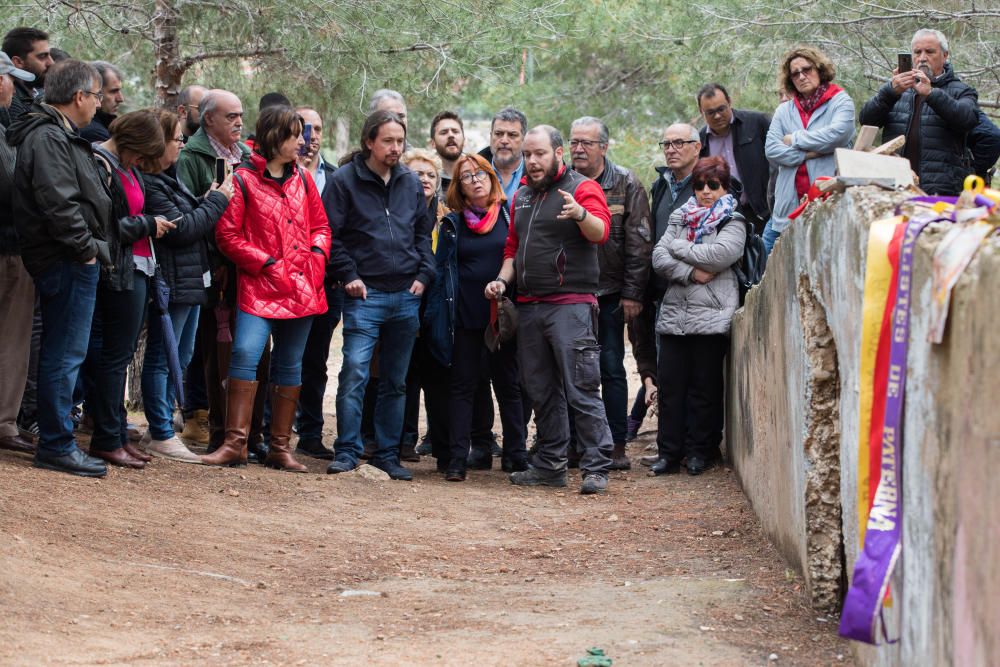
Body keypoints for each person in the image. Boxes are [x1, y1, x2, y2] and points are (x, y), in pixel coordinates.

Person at [484, 125, 613, 495]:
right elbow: (512, 248)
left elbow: (600, 232)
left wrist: (579, 215)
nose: (532, 161)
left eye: (539, 153)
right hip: (528, 307)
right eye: (527, 154)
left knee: (581, 388)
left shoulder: (582, 189)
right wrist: (501, 282)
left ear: (559, 153)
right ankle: (550, 465)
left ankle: (596, 467)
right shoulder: (521, 196)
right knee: (540, 389)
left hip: (571, 305)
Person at [204, 105, 331, 470]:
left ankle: (280, 448)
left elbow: (321, 227)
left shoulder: (304, 180)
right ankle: (235, 444)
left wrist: (317, 259)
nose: (302, 143)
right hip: (260, 284)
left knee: (290, 364)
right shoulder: (242, 179)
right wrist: (266, 263)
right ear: (276, 137)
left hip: (303, 285)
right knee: (245, 353)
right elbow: (227, 235)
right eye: (295, 135)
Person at [8, 60, 110, 476]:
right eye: (98, 96)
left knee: (64, 352)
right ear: (79, 96)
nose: (100, 104)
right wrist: (85, 249)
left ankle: (57, 440)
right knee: (64, 355)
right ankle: (56, 443)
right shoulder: (49, 137)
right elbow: (59, 202)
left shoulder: (57, 134)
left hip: (68, 257)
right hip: (66, 259)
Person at [326, 110, 435, 481]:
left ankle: (388, 454)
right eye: (388, 141)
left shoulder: (408, 181)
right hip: (364, 295)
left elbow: (423, 232)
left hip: (406, 293)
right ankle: (347, 451)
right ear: (369, 141)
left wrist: (424, 273)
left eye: (400, 141)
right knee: (355, 372)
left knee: (396, 379)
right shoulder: (343, 181)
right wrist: (349, 276)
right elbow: (332, 236)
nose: (395, 148)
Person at [139, 109, 233, 463]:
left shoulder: (169, 178)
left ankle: (157, 425)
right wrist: (217, 200)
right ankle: (161, 432)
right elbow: (185, 230)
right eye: (176, 139)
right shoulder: (150, 183)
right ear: (156, 143)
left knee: (183, 356)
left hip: (191, 280)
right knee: (164, 358)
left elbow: (189, 218)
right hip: (173, 281)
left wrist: (205, 200)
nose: (181, 145)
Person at [427, 153, 527, 481]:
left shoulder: (508, 217)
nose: (476, 180)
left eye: (481, 173)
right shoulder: (453, 224)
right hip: (465, 317)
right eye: (467, 176)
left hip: (502, 317)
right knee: (463, 387)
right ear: (460, 187)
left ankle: (515, 456)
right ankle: (457, 459)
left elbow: (520, 262)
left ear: (491, 178)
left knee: (509, 386)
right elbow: (441, 272)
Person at [85, 110, 172, 469]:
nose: (142, 162)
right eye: (141, 154)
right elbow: (106, 226)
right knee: (114, 358)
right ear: (131, 142)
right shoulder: (102, 162)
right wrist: (148, 224)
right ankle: (106, 437)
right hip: (119, 270)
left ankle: (117, 433)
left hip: (137, 268)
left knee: (118, 357)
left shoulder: (126, 166)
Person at [650, 156, 746, 476]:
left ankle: (700, 451)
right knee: (671, 387)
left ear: (724, 186)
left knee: (704, 388)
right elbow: (659, 257)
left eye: (713, 185)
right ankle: (669, 453)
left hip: (712, 314)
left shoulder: (733, 219)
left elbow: (720, 255)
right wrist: (692, 273)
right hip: (676, 312)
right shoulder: (681, 214)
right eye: (700, 185)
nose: (706, 191)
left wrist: (678, 247)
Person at [568, 116, 652, 471]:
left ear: (604, 146)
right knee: (571, 369)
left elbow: (640, 241)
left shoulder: (626, 182)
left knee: (611, 367)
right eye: (573, 142)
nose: (578, 149)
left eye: (586, 143)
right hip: (572, 291)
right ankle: (574, 442)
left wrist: (632, 293)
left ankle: (616, 444)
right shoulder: (565, 181)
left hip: (612, 291)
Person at [627, 123, 702, 446]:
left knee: (693, 373)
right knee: (660, 362)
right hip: (661, 290)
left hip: (698, 290)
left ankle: (688, 442)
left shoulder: (708, 183)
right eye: (666, 144)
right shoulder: (660, 185)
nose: (670, 149)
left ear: (697, 147)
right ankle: (666, 441)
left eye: (678, 143)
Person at [287, 105, 343, 460]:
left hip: (326, 282)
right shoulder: (279, 173)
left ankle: (310, 434)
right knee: (283, 358)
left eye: (318, 128)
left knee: (316, 360)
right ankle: (269, 430)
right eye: (305, 128)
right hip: (283, 280)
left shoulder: (337, 178)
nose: (312, 136)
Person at [859, 29, 979, 196]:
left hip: (940, 189)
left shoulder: (961, 91)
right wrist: (890, 92)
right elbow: (866, 120)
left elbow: (967, 119)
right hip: (894, 185)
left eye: (929, 52)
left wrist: (931, 94)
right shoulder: (897, 89)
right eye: (917, 52)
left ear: (945, 56)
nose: (922, 58)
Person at [765, 46, 855, 254]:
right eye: (795, 73)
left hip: (829, 203)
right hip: (789, 208)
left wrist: (794, 138)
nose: (802, 76)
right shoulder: (784, 110)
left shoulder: (840, 100)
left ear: (819, 69)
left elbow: (839, 134)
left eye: (807, 69)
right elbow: (771, 149)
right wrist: (809, 153)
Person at [0, 52, 36, 454]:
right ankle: (4, 422)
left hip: (11, 247)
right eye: (12, 79)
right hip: (7, 248)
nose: (17, 88)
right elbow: (12, 186)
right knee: (10, 338)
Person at [697, 83, 772, 233]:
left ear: (729, 102)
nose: (718, 116)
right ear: (701, 112)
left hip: (764, 213)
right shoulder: (699, 141)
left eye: (721, 109)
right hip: (725, 220)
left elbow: (779, 162)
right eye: (711, 112)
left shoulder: (757, 123)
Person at [1, 27, 52, 122]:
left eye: (50, 55)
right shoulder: (10, 102)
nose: (51, 62)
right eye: (42, 56)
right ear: (18, 62)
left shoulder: (35, 91)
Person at [478, 106, 527, 201]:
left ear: (524, 139)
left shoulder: (538, 172)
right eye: (498, 133)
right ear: (491, 136)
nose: (504, 140)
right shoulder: (472, 171)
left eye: (512, 135)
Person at [80, 61, 125, 142]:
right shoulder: (93, 133)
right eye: (113, 91)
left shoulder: (102, 125)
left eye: (119, 90)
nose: (120, 99)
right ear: (95, 91)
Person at [430, 110, 465, 191]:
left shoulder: (477, 171)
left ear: (464, 140)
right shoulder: (425, 175)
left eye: (455, 131)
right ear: (433, 143)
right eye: (444, 132)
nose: (451, 135)